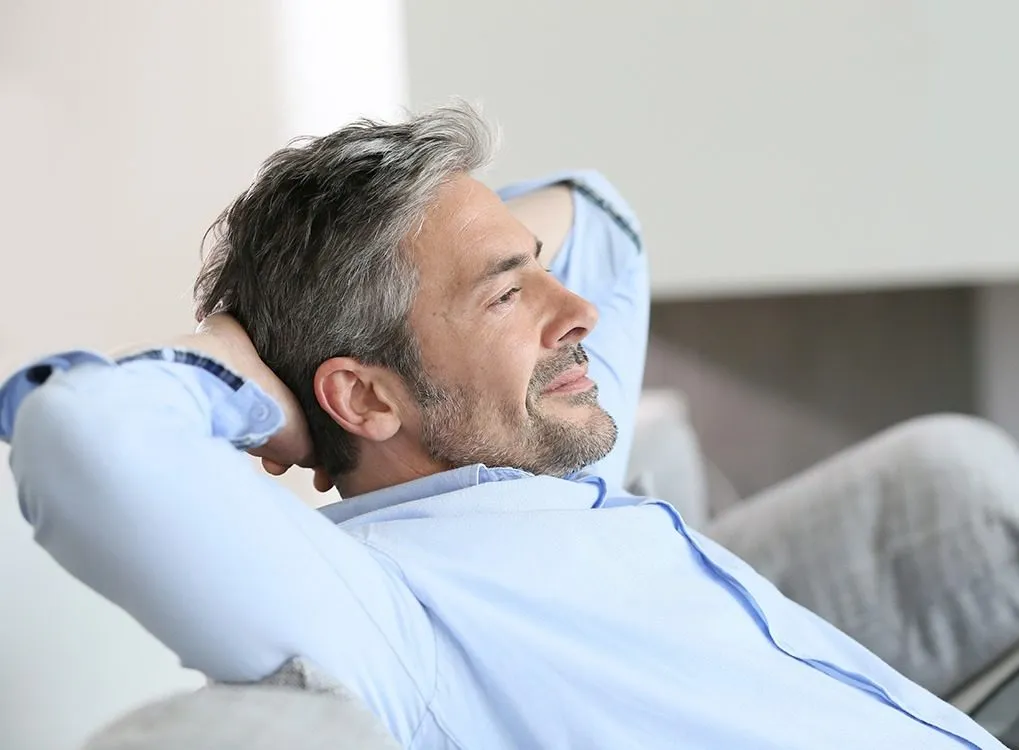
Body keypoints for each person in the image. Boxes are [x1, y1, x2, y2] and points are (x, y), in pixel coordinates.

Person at [0, 104, 1003, 749]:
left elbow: (602, 220)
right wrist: (249, 371)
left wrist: (479, 255)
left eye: (537, 268)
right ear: (367, 400)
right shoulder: (385, 612)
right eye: (505, 294)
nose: (579, 313)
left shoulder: (545, 458)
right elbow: (82, 433)